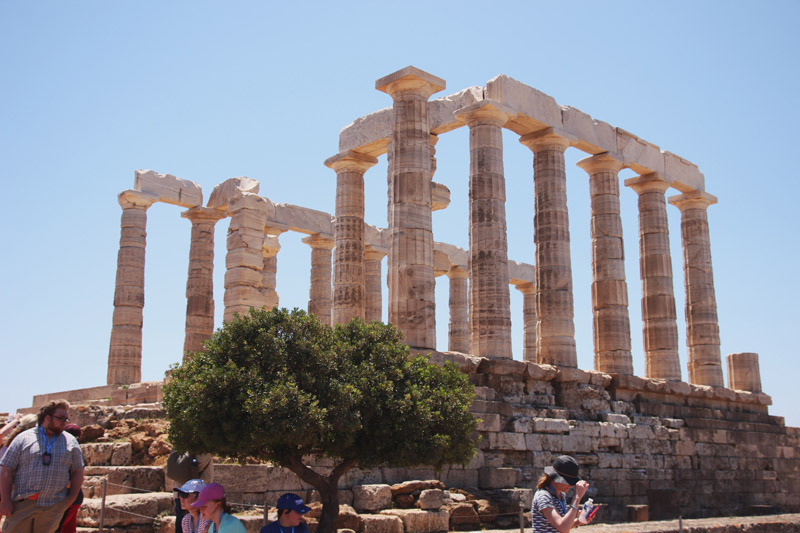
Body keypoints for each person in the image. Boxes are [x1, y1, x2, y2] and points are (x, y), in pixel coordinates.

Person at [0, 400, 85, 533]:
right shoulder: (23, 438)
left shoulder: (71, 441)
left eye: (66, 418)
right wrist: (5, 500)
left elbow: (78, 470)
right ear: (47, 418)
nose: (65, 422)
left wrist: (70, 500)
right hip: (23, 504)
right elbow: (7, 469)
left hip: (53, 505)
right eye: (61, 418)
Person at [531, 455, 593, 532]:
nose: (571, 486)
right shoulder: (543, 496)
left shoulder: (561, 495)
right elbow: (563, 527)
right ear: (556, 479)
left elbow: (564, 525)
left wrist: (578, 521)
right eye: (568, 482)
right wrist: (577, 498)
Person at [166, 451, 214, 533]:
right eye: (180, 494)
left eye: (184, 495)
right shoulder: (186, 520)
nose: (181, 498)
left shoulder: (207, 521)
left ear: (199, 497)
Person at [57, 424, 85, 533]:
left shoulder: (70, 450)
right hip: (75, 495)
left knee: (58, 528)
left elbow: (77, 478)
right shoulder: (76, 450)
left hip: (68, 496)